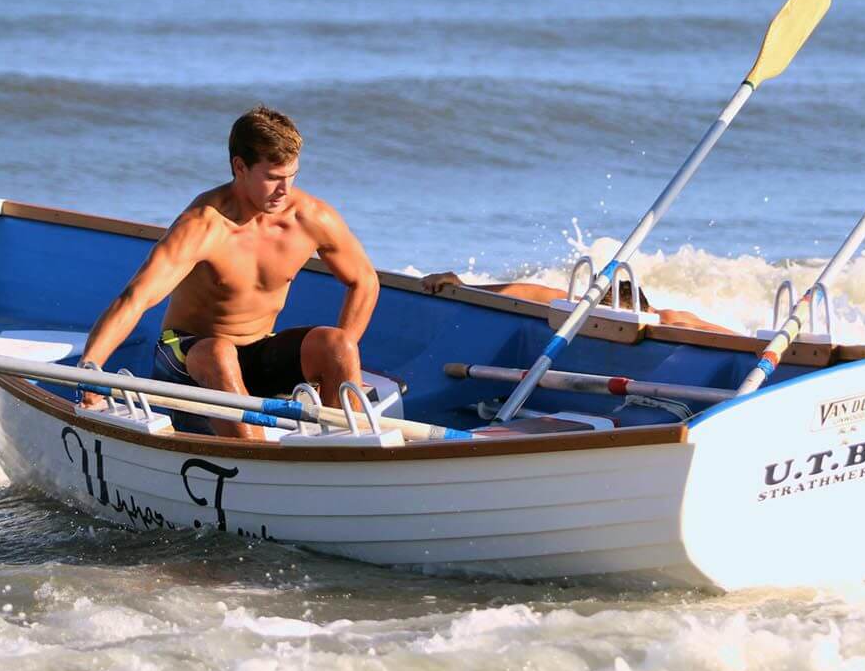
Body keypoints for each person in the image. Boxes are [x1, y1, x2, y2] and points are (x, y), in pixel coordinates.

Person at [78, 107, 379, 438]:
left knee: (338, 345)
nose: (285, 190)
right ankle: (259, 464)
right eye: (273, 178)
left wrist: (345, 370)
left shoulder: (310, 218)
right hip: (187, 356)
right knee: (220, 352)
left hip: (256, 349)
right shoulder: (203, 225)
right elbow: (137, 297)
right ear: (240, 167)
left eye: (292, 176)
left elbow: (364, 281)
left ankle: (338, 449)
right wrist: (91, 369)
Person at [419, 271, 733, 334]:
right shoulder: (585, 306)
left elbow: (730, 338)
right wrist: (465, 286)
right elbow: (527, 291)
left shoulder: (670, 319)